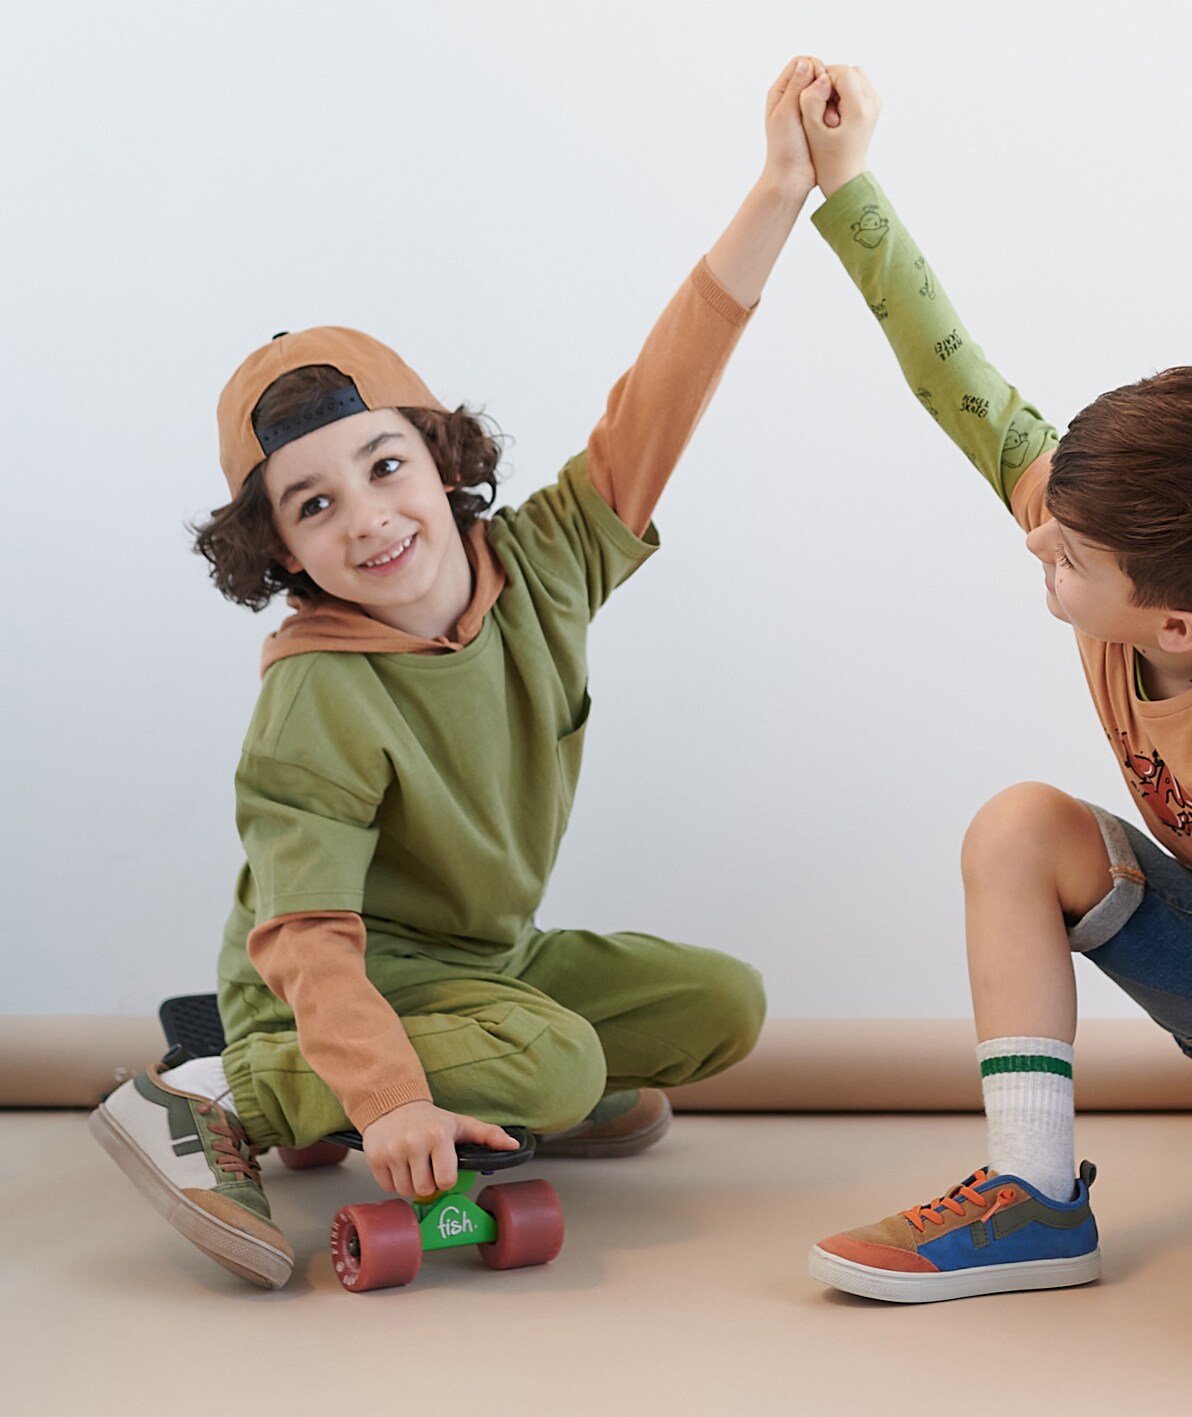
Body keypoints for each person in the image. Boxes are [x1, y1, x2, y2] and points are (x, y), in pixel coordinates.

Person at [88, 56, 832, 1290]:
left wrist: (779, 188)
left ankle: (504, 1072)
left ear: (440, 459)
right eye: (313, 504)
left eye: (384, 466)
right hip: (327, 984)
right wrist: (385, 1098)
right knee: (561, 1062)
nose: (368, 519)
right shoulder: (316, 692)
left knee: (723, 1006)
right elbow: (306, 933)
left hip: (487, 965)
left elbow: (661, 396)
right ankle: (222, 1082)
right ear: (281, 550)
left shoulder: (545, 561)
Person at [797, 65, 1192, 1304]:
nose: (1035, 538)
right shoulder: (1118, 541)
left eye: (1065, 556)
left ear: (1177, 622)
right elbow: (957, 380)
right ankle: (1031, 1195)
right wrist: (846, 181)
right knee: (1019, 826)